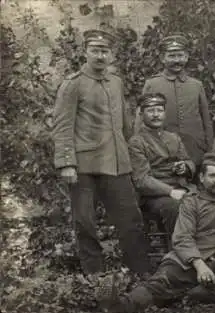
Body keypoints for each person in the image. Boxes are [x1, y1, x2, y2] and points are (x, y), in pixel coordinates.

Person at [96, 153, 215, 312]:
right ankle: (119, 305)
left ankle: (190, 295)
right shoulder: (191, 203)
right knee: (160, 283)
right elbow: (182, 238)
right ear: (202, 178)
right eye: (212, 175)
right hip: (188, 260)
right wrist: (200, 266)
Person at [51, 28, 151, 275]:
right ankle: (95, 279)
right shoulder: (72, 84)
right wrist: (66, 163)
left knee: (131, 220)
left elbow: (124, 123)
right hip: (84, 166)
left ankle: (142, 275)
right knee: (85, 224)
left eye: (104, 51)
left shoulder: (115, 82)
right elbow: (62, 125)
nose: (100, 56)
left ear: (111, 54)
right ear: (85, 52)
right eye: (95, 50)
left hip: (116, 163)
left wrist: (133, 151)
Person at [128, 93, 196, 248]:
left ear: (165, 113)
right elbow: (142, 179)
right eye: (150, 111)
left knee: (209, 203)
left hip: (182, 187)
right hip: (155, 196)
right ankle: (179, 253)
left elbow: (188, 160)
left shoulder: (173, 137)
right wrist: (170, 191)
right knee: (175, 207)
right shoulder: (137, 142)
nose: (156, 115)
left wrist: (184, 167)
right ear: (141, 114)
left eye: (159, 110)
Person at [142, 34, 214, 167]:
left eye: (180, 55)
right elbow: (142, 120)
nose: (177, 60)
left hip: (195, 148)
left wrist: (209, 150)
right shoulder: (152, 84)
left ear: (186, 57)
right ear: (162, 58)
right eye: (172, 56)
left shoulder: (196, 85)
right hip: (162, 149)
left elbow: (206, 121)